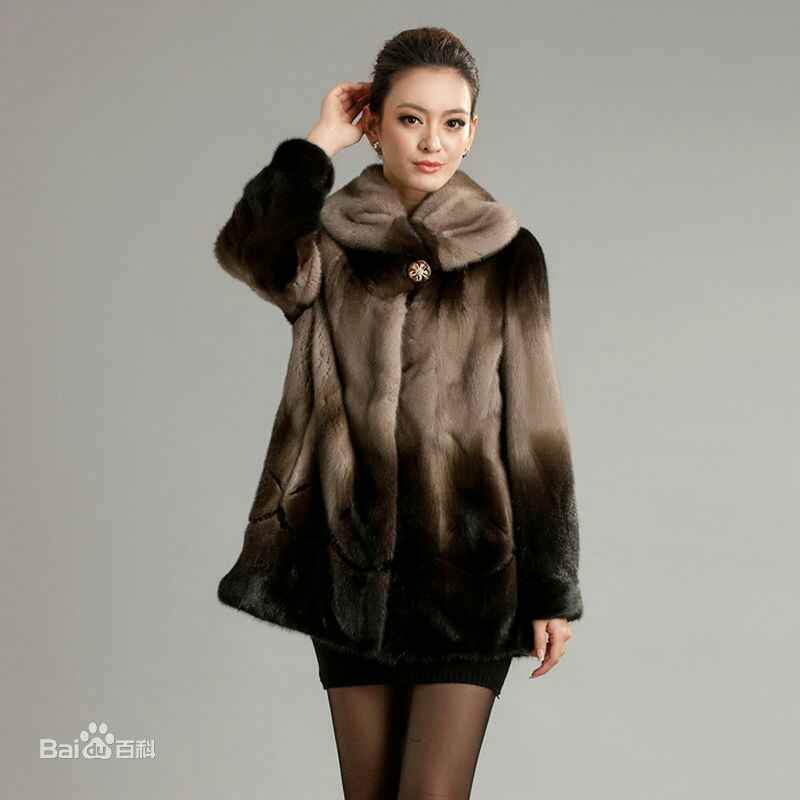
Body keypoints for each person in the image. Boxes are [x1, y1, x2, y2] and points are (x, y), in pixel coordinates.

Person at [213, 26, 583, 799]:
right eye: (410, 119)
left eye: (453, 122)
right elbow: (250, 252)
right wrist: (318, 142)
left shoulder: (508, 253)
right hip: (345, 564)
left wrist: (553, 589)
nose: (432, 141)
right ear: (375, 125)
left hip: (470, 568)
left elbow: (536, 427)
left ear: (473, 132)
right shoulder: (327, 245)